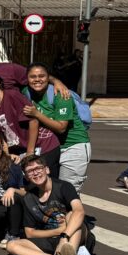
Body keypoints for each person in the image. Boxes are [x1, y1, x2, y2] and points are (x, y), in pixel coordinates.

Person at [8, 154, 91, 255]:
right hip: (52, 238)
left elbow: (79, 211)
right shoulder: (29, 198)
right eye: (30, 171)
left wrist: (64, 236)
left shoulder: (64, 187)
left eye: (38, 168)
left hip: (74, 235)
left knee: (71, 215)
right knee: (12, 245)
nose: (35, 173)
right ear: (26, 176)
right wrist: (58, 232)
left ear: (47, 169)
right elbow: (30, 233)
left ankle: (70, 251)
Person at [0, 69, 60, 175]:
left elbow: (33, 121)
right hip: (20, 151)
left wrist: (30, 153)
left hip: (43, 146)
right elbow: (0, 136)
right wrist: (7, 155)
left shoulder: (12, 96)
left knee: (47, 184)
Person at [23, 63, 91, 192]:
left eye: (42, 76)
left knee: (68, 191)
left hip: (73, 146)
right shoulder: (26, 92)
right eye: (33, 77)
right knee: (49, 190)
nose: (37, 80)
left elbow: (61, 128)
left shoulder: (60, 94)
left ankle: (74, 212)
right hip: (51, 148)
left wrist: (37, 114)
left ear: (48, 77)